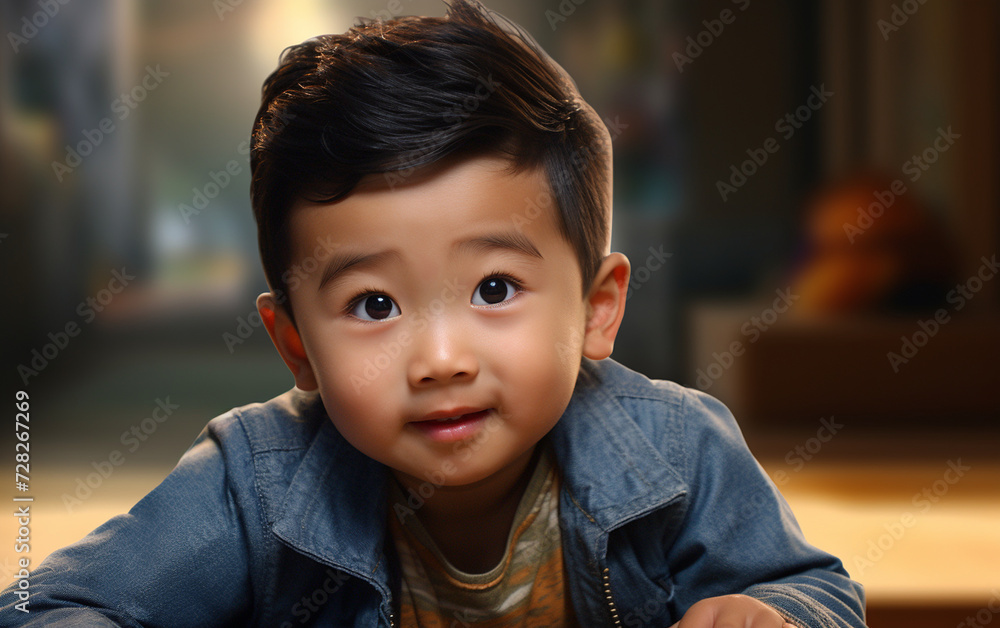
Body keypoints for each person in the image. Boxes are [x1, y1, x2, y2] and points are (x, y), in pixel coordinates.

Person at [0, 1, 866, 626]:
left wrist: (768, 613)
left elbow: (820, 592)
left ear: (598, 309)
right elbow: (50, 606)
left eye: (495, 289)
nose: (442, 358)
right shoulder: (254, 480)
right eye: (374, 304)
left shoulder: (678, 450)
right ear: (296, 345)